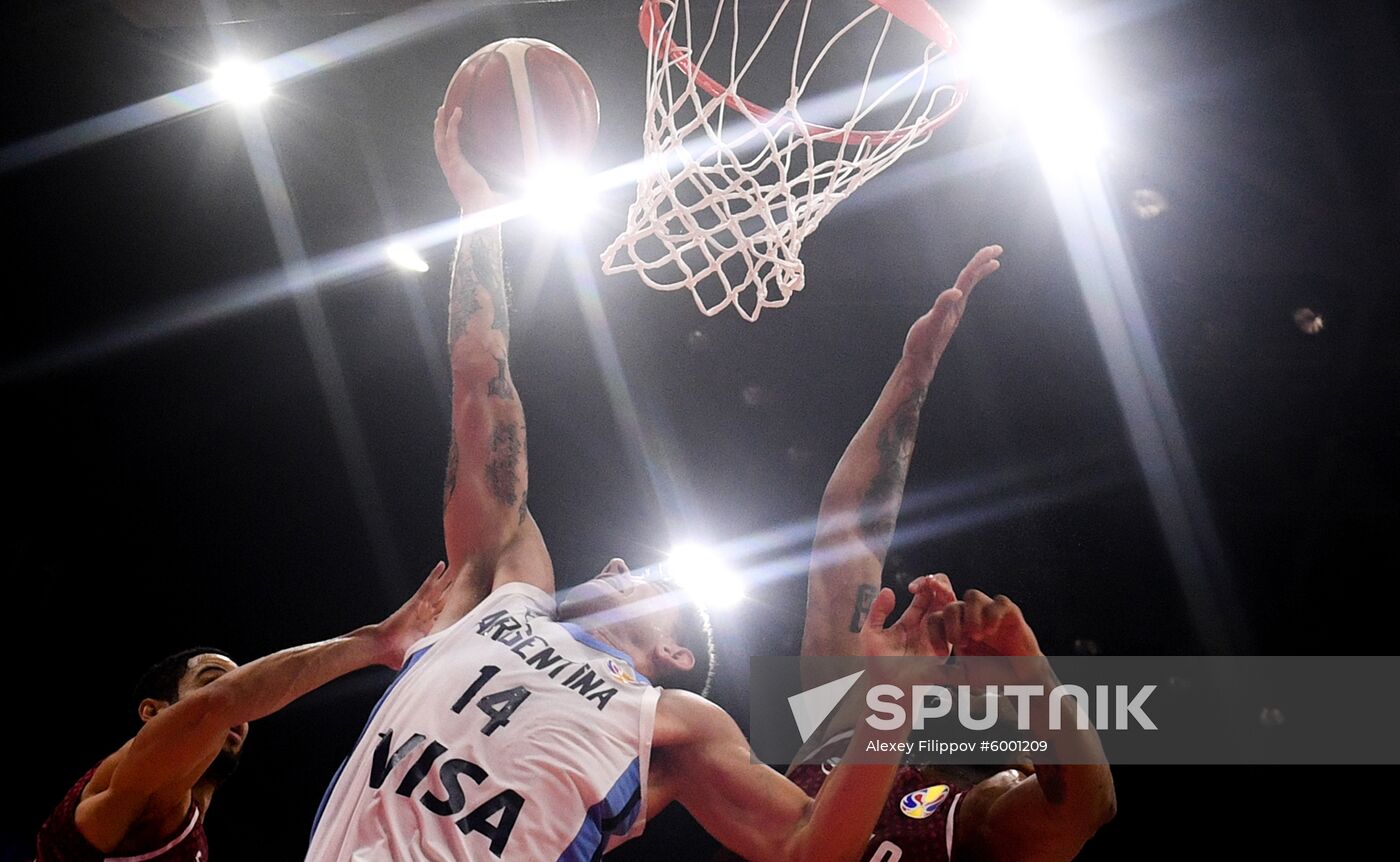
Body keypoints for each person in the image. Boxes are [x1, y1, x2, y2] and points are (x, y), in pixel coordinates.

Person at [301, 106, 943, 862]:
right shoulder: (503, 590)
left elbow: (809, 848)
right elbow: (482, 387)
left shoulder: (674, 721)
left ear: (673, 652)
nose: (614, 565)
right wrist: (481, 212)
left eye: (646, 579)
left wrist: (889, 708)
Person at [788, 247, 1117, 860]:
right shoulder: (840, 739)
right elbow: (847, 536)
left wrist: (1029, 672)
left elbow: (1085, 809)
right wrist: (915, 372)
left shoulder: (972, 820)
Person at [35, 563, 457, 862]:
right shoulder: (136, 790)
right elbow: (220, 706)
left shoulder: (191, 816)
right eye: (211, 678)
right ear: (153, 711)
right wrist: (377, 642)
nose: (240, 710)